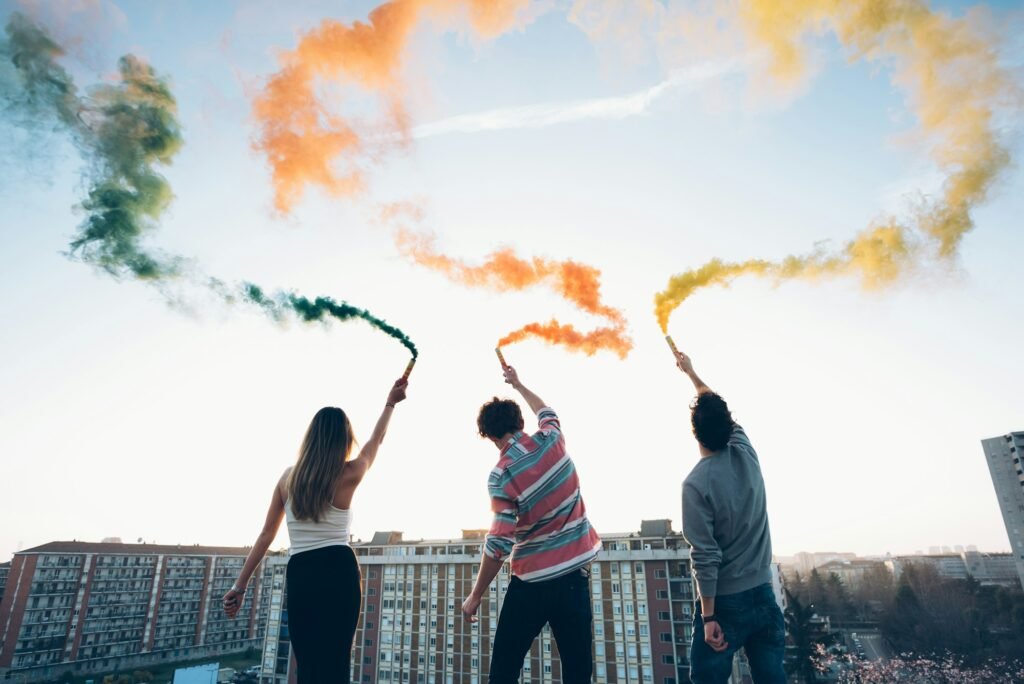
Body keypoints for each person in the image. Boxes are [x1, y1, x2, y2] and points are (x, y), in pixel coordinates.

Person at [221, 376, 409, 684]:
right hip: (339, 570)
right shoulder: (349, 473)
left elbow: (266, 535)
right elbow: (376, 441)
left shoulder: (287, 478)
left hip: (302, 572)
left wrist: (240, 586)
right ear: (344, 439)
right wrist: (390, 403)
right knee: (336, 662)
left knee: (307, 661)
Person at [462, 364, 601, 684]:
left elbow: (498, 544)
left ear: (491, 436)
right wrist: (519, 384)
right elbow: (547, 410)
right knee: (578, 672)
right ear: (520, 422)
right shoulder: (553, 439)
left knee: (504, 670)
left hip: (532, 584)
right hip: (573, 578)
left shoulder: (502, 474)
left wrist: (476, 595)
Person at [674, 349, 786, 684]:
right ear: (729, 424)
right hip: (764, 594)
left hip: (725, 604)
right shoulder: (745, 451)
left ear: (695, 433)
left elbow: (705, 556)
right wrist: (692, 374)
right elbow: (716, 406)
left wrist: (708, 616)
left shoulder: (695, 484)